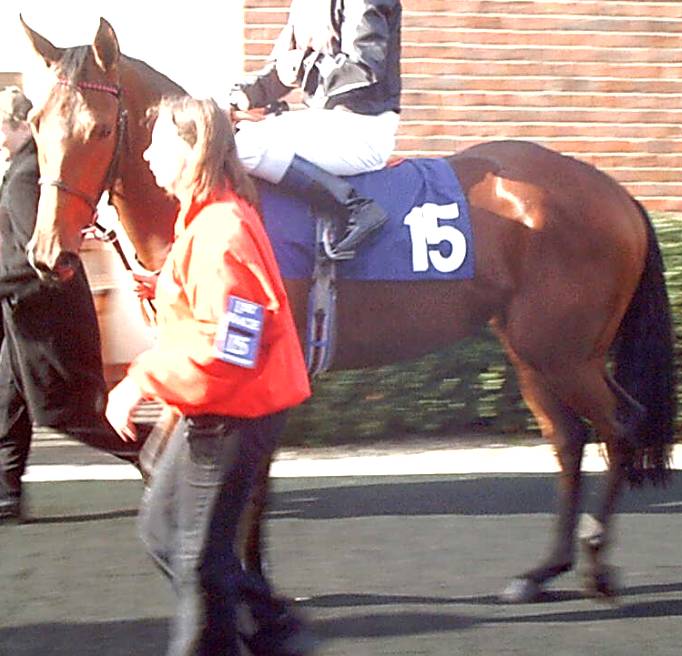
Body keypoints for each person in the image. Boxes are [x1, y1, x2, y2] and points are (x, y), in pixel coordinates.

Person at [105, 96, 313, 656]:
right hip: (218, 408)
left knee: (198, 559)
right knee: (163, 533)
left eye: (157, 145)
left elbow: (230, 350)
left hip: (236, 415)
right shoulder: (207, 220)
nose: (146, 156)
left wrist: (141, 380)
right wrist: (165, 286)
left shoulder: (221, 231)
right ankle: (271, 631)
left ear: (193, 150)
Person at [0, 86, 142, 522]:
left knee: (66, 412)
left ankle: (157, 453)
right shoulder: (26, 168)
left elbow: (39, 259)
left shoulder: (28, 175)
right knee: (7, 401)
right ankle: (5, 491)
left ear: (21, 126)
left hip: (44, 314)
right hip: (26, 314)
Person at [228, 0, 402, 258]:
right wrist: (240, 97)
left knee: (243, 147)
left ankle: (354, 207)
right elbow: (283, 71)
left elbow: (364, 68)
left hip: (363, 127)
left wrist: (303, 65)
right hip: (328, 124)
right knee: (236, 135)